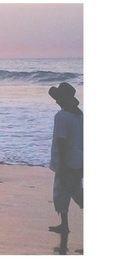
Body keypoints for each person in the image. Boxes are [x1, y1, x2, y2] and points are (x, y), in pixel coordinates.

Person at [48, 82, 83, 234]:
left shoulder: (61, 116)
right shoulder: (79, 116)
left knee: (61, 193)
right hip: (79, 158)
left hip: (68, 160)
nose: (56, 101)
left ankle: (64, 225)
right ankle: (64, 225)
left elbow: (61, 140)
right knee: (76, 191)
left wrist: (61, 164)